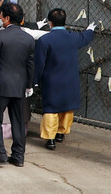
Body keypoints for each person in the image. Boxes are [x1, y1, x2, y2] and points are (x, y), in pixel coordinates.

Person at [0, 3, 36, 168]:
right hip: (20, 86)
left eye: (1, 15)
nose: (0, 18)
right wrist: (29, 85)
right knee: (18, 121)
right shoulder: (29, 38)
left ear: (7, 18)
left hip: (0, 85)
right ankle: (18, 156)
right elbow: (31, 64)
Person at [33, 9, 95, 151]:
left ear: (50, 23)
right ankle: (61, 133)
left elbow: (39, 63)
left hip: (51, 80)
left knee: (51, 109)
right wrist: (90, 30)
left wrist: (35, 80)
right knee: (67, 108)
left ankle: (50, 139)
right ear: (65, 21)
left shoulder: (44, 40)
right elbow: (85, 37)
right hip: (70, 79)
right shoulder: (73, 37)